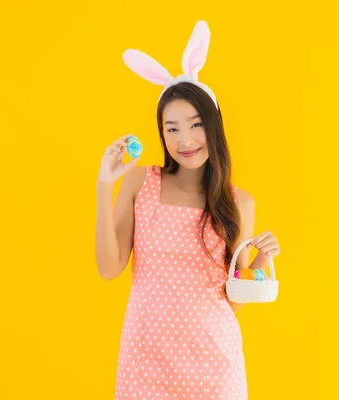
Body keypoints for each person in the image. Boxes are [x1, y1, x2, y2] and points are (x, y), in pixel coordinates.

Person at [95, 21, 281, 400]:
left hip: (214, 367)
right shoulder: (139, 183)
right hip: (145, 361)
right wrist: (104, 184)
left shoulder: (238, 203)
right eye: (172, 128)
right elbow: (109, 268)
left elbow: (235, 297)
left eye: (196, 125)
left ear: (214, 127)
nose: (186, 140)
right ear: (161, 133)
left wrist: (261, 261)